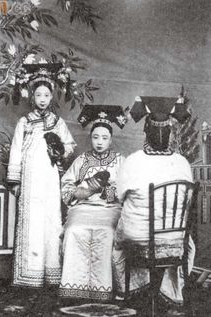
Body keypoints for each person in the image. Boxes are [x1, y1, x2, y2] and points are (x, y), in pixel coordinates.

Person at [113, 95, 195, 304]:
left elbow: (118, 196)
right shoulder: (182, 163)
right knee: (188, 243)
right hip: (174, 239)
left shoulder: (132, 161)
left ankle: (131, 290)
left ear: (146, 133)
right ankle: (167, 292)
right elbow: (187, 203)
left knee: (118, 241)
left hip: (138, 237)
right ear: (169, 134)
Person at [7, 63, 76, 288]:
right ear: (33, 97)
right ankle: (29, 274)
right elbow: (16, 150)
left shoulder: (57, 123)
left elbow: (69, 145)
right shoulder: (25, 122)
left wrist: (60, 151)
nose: (43, 99)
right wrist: (15, 181)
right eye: (38, 94)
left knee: (51, 220)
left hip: (49, 179)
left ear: (52, 96)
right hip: (29, 181)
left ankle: (50, 273)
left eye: (47, 94)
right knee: (32, 221)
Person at [59, 104, 127, 301]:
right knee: (73, 231)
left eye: (104, 138)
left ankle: (104, 289)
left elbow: (126, 190)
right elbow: (66, 187)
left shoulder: (120, 160)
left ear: (111, 139)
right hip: (83, 208)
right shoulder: (81, 160)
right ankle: (74, 288)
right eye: (96, 137)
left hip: (109, 209)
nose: (99, 142)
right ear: (90, 138)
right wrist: (84, 191)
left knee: (107, 233)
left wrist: (107, 191)